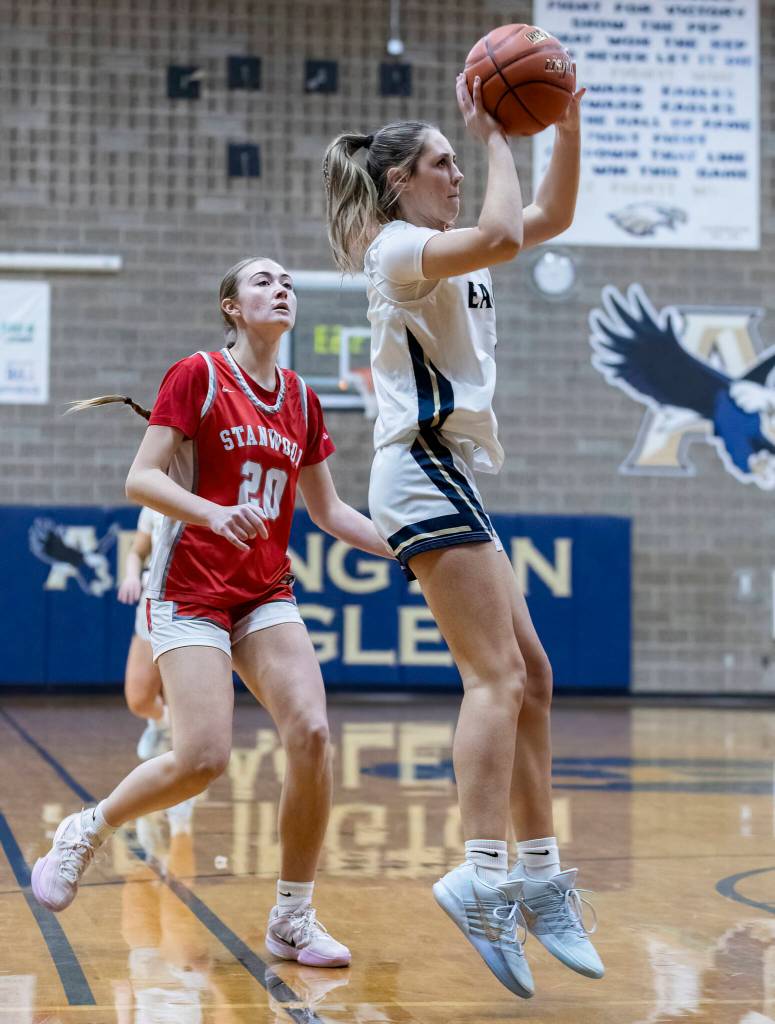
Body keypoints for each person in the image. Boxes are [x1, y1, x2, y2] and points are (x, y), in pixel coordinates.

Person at [32, 256, 393, 969]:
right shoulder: (197, 374)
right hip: (189, 587)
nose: (281, 287)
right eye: (263, 280)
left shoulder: (299, 397)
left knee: (313, 732)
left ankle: (292, 917)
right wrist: (211, 512)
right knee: (202, 759)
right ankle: (86, 829)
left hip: (262, 591)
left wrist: (410, 545)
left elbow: (328, 510)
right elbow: (139, 479)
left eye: (287, 280)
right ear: (231, 306)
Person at [323, 74, 601, 997]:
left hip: (449, 473)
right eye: (440, 161)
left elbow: (543, 216)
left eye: (456, 159)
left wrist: (564, 119)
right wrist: (493, 135)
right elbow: (503, 226)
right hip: (420, 466)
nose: (454, 171)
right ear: (401, 180)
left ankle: (535, 873)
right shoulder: (400, 246)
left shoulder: (454, 251)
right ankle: (481, 873)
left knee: (535, 677)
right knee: (496, 677)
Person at [117, 506, 171, 761]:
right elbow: (137, 551)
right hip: (153, 603)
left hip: (195, 605)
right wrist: (131, 576)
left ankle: (185, 794)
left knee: (184, 707)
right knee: (138, 699)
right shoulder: (154, 501)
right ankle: (161, 724)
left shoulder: (210, 492)